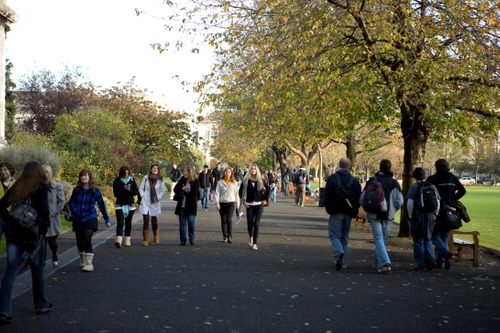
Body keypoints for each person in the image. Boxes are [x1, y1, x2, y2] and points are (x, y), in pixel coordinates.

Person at [0, 161, 52, 324]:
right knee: (37, 269)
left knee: (11, 270)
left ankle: (4, 309)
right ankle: (41, 303)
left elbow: (1, 206)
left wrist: (9, 220)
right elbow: (44, 212)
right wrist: (41, 228)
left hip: (15, 234)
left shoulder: (18, 186)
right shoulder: (41, 188)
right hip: (33, 235)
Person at [360, 159, 404, 274]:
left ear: (380, 167)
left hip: (374, 214)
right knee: (382, 239)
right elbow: (399, 200)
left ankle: (383, 263)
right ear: (390, 167)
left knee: (378, 239)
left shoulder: (372, 180)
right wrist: (394, 209)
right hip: (388, 215)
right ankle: (379, 262)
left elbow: (362, 197)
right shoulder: (394, 183)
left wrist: (367, 207)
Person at [426, 159, 466, 269]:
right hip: (451, 210)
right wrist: (453, 199)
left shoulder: (432, 179)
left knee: (434, 235)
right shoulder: (452, 178)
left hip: (438, 210)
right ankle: (441, 262)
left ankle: (444, 252)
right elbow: (462, 190)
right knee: (445, 234)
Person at [323, 158, 361, 271]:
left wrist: (329, 208)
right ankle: (343, 262)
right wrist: (355, 209)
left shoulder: (332, 179)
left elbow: (327, 196)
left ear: (339, 165)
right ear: (349, 166)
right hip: (348, 212)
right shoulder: (354, 181)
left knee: (334, 235)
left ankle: (339, 252)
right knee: (344, 237)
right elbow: (358, 197)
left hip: (336, 211)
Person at [69, 169, 111, 272]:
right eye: (82, 176)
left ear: (89, 177)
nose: (84, 177)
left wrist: (106, 219)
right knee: (80, 240)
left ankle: (89, 263)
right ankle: (82, 258)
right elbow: (71, 202)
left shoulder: (95, 191)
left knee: (87, 238)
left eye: (86, 175)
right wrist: (75, 210)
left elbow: (101, 205)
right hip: (78, 218)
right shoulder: (76, 190)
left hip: (90, 217)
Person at [407, 167, 440, 271]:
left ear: (414, 176)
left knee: (418, 239)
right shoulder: (432, 186)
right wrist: (435, 214)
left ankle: (421, 263)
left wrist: (410, 216)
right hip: (431, 215)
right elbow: (437, 201)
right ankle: (430, 258)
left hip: (419, 215)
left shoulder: (414, 187)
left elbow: (410, 203)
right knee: (428, 238)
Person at [239, 164, 270, 250]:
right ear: (249, 170)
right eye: (251, 169)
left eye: (254, 169)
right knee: (250, 224)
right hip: (249, 205)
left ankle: (255, 243)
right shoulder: (245, 180)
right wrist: (244, 202)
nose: (253, 170)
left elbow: (268, 189)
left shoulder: (261, 180)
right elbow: (240, 191)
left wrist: (265, 200)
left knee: (256, 223)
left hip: (259, 204)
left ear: (257, 171)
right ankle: (251, 235)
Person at [42, 165, 65, 266]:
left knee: (52, 242)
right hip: (41, 219)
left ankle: (54, 253)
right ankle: (42, 263)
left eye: (46, 172)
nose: (44, 174)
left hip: (53, 219)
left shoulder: (56, 187)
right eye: (42, 172)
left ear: (50, 173)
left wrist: (56, 211)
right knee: (42, 243)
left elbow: (62, 201)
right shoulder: (38, 186)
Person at [139, 163, 166, 246]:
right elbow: (141, 188)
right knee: (146, 219)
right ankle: (145, 240)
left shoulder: (160, 179)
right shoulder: (146, 178)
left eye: (157, 169)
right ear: (151, 169)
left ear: (158, 170)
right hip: (146, 200)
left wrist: (159, 197)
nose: (155, 170)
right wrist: (143, 196)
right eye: (154, 168)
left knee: (154, 221)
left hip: (155, 201)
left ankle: (156, 237)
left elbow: (163, 190)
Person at [113, 166, 139, 248]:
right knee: (120, 222)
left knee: (128, 223)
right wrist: (123, 188)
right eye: (124, 174)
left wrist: (129, 190)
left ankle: (127, 240)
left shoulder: (131, 180)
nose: (126, 175)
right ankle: (118, 240)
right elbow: (115, 194)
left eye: (127, 173)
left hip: (130, 204)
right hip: (120, 204)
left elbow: (136, 192)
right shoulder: (116, 181)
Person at [173, 166, 200, 245]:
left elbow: (195, 192)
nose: (184, 173)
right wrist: (182, 189)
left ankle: (192, 238)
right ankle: (183, 240)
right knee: (182, 223)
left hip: (191, 205)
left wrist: (188, 191)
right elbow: (175, 189)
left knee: (191, 222)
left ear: (189, 172)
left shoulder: (195, 181)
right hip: (182, 205)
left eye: (185, 171)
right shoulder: (182, 180)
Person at [215, 167, 240, 243]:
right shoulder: (220, 182)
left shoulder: (234, 183)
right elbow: (217, 193)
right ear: (224, 173)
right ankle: (224, 236)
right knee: (223, 220)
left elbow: (236, 195)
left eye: (229, 172)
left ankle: (230, 236)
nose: (227, 173)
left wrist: (238, 206)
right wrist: (217, 203)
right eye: (226, 172)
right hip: (222, 202)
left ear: (231, 173)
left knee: (229, 219)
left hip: (231, 202)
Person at [0, 162, 15, 246]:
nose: (3, 171)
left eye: (5, 169)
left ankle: (11, 259)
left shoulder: (16, 184)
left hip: (12, 218)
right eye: (1, 170)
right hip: (0, 218)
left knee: (11, 244)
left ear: (10, 170)